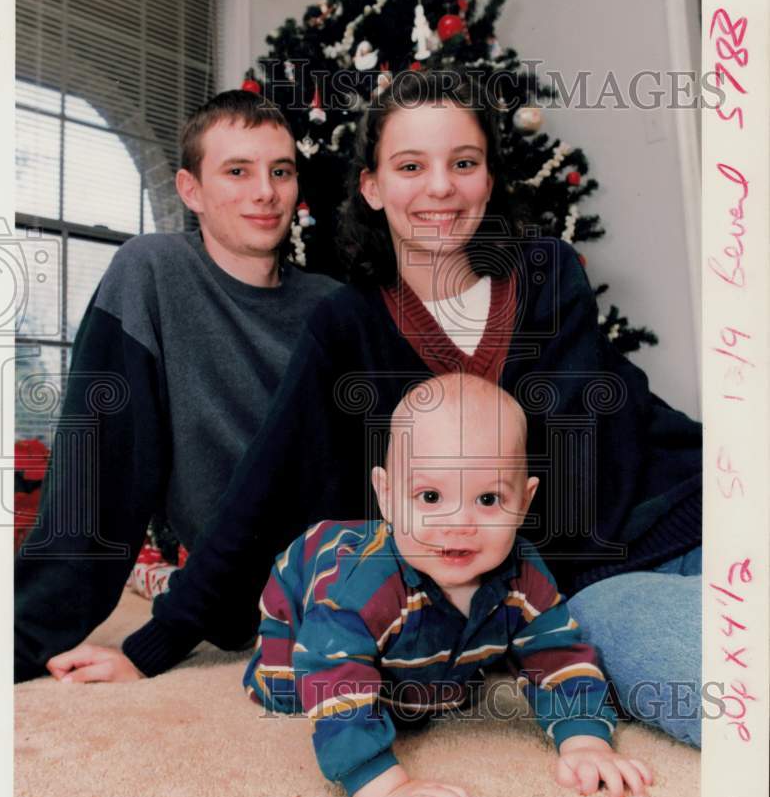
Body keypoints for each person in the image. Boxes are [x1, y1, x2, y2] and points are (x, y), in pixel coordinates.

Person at [49, 71, 702, 751]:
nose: (441, 188)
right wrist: (156, 642)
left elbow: (593, 446)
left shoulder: (547, 271)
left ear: (488, 178)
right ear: (371, 185)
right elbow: (268, 486)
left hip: (681, 508)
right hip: (596, 587)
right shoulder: (346, 326)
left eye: (464, 164)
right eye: (411, 166)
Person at [14, 89, 337, 682]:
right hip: (226, 594)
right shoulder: (152, 271)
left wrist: (162, 637)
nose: (264, 192)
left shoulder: (332, 306)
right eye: (237, 171)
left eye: (280, 171)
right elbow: (100, 466)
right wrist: (22, 635)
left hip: (338, 588)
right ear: (191, 191)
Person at [244, 374, 652, 797]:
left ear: (524, 501)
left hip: (418, 627)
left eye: (488, 498)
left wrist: (585, 742)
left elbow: (556, 654)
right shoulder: (360, 589)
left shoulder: (523, 573)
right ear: (387, 495)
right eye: (431, 496)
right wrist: (384, 787)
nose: (459, 522)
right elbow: (333, 683)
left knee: (438, 686)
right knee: (287, 688)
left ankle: (427, 663)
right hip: (305, 578)